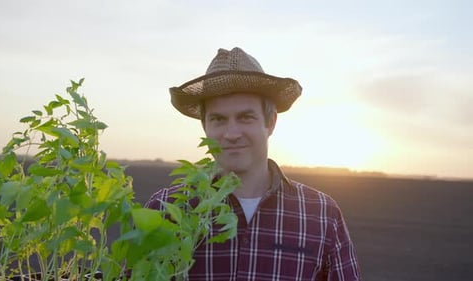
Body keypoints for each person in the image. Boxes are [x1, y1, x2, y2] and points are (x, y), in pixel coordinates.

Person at [145, 47, 361, 280]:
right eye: (218, 119)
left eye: (245, 117)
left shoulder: (320, 214)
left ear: (270, 123)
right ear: (205, 127)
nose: (232, 133)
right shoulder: (166, 210)